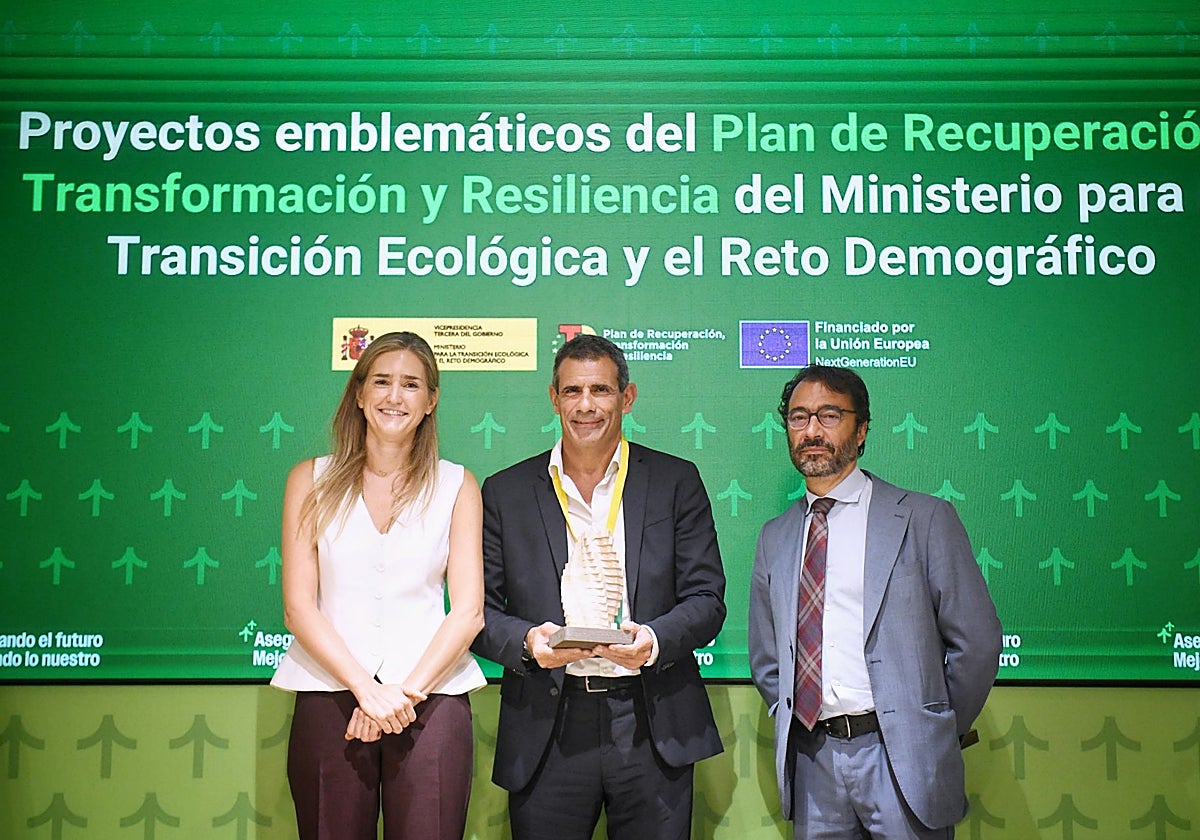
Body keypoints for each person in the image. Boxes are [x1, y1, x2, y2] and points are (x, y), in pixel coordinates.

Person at [471, 334, 726, 840]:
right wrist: (529, 643)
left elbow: (706, 599)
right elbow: (478, 612)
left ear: (627, 397)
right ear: (554, 398)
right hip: (548, 723)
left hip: (651, 720)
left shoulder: (675, 480)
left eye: (601, 390)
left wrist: (654, 640)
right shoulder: (506, 491)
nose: (585, 405)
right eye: (572, 391)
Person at [748, 365, 1002, 840]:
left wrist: (933, 728)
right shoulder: (775, 536)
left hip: (903, 756)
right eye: (799, 417)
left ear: (861, 429)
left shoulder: (924, 518)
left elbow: (978, 642)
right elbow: (767, 661)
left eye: (829, 415)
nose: (812, 431)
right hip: (813, 759)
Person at [270, 331, 485, 840]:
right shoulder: (309, 480)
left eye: (411, 384)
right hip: (329, 693)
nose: (395, 396)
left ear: (431, 401)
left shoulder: (457, 485)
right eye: (382, 382)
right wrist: (365, 690)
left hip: (432, 697)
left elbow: (468, 611)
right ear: (360, 393)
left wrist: (401, 697)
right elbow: (299, 608)